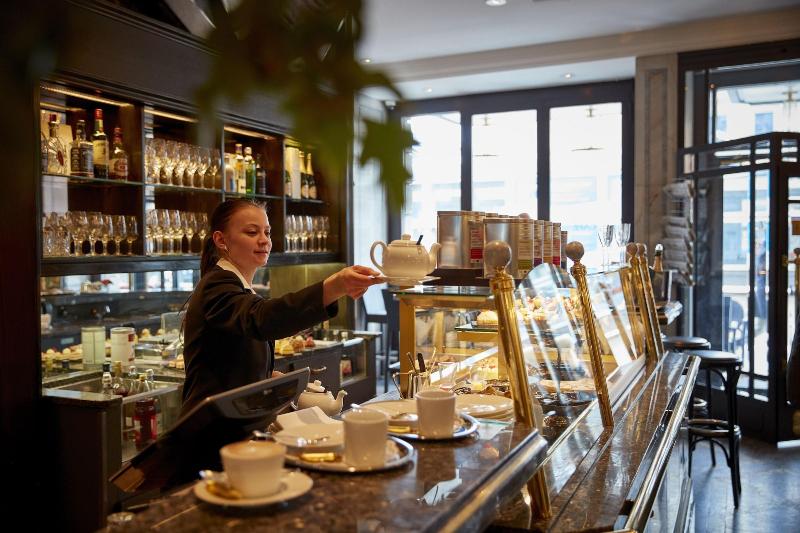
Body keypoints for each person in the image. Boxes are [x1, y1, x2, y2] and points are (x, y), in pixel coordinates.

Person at [180, 199, 382, 415]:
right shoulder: (217, 285)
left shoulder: (239, 287)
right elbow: (263, 319)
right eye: (252, 232)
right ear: (221, 240)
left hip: (235, 422)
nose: (264, 240)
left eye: (267, 232)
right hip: (211, 427)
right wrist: (334, 287)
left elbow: (230, 361)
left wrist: (268, 378)